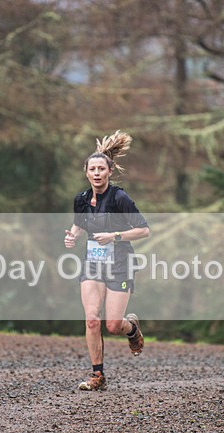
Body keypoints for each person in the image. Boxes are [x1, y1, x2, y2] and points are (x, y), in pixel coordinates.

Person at [64, 131, 150, 391]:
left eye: (102, 168)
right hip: (92, 262)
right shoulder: (80, 200)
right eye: (93, 169)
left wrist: (115, 235)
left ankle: (132, 328)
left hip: (120, 262)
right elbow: (79, 226)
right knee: (92, 319)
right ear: (86, 172)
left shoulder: (119, 198)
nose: (97, 173)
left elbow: (144, 230)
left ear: (109, 171)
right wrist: (72, 237)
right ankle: (97, 375)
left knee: (113, 325)